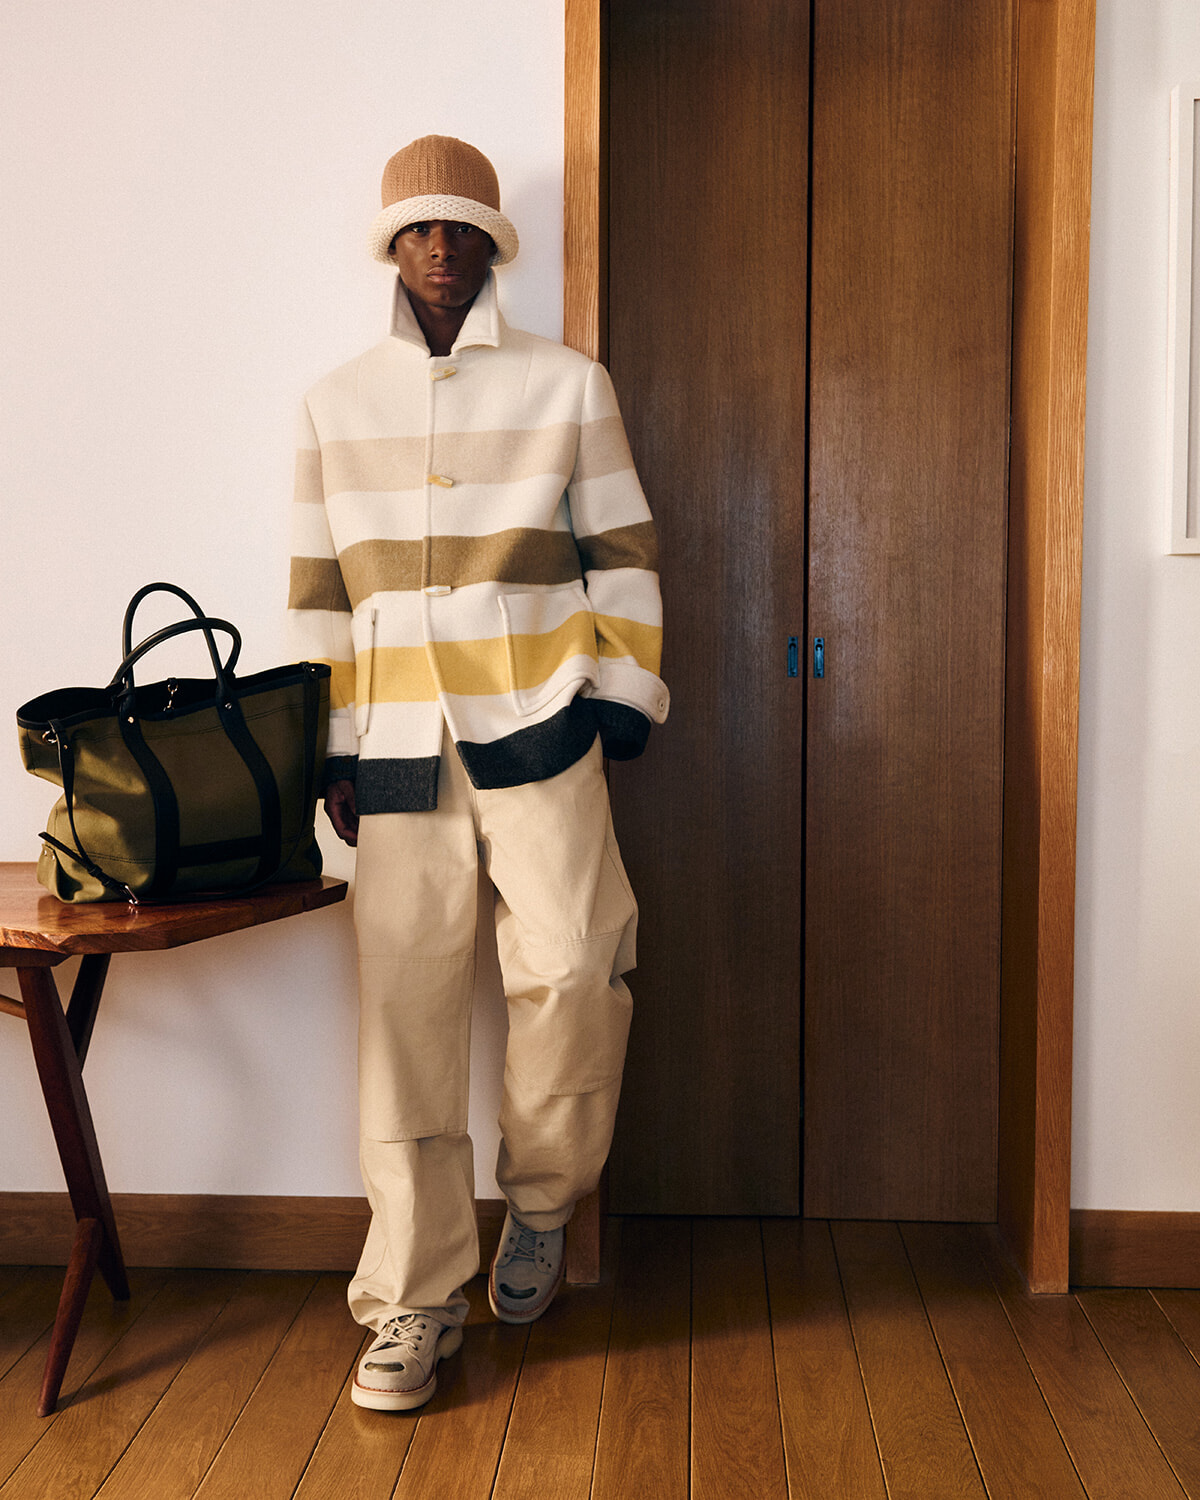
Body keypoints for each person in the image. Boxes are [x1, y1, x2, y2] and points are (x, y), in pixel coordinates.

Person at [287, 135, 668, 1412]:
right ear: (390, 247)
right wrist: (323, 748)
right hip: (392, 743)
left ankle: (546, 1198)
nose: (442, 246)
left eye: (464, 227)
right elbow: (316, 592)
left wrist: (617, 695)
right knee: (406, 1020)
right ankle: (410, 1299)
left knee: (574, 962)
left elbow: (619, 543)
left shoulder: (567, 383)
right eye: (418, 228)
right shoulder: (335, 402)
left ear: (496, 243)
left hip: (542, 722)